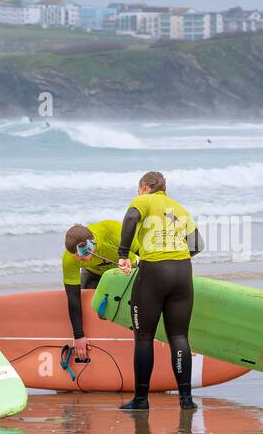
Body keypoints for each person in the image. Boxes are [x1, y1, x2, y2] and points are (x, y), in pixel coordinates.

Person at [115, 171, 202, 412]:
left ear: (144, 186)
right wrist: (175, 258)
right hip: (183, 271)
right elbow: (197, 244)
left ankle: (141, 400)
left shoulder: (143, 200)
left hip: (153, 272)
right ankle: (186, 399)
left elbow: (131, 219)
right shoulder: (177, 208)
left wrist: (123, 255)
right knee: (179, 337)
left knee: (144, 338)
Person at [62, 221, 141, 362]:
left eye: (82, 253)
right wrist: (78, 336)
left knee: (134, 300)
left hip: (125, 267)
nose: (79, 259)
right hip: (93, 273)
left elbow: (148, 255)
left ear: (92, 242)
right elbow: (73, 297)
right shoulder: (70, 259)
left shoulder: (113, 233)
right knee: (88, 304)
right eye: (76, 255)